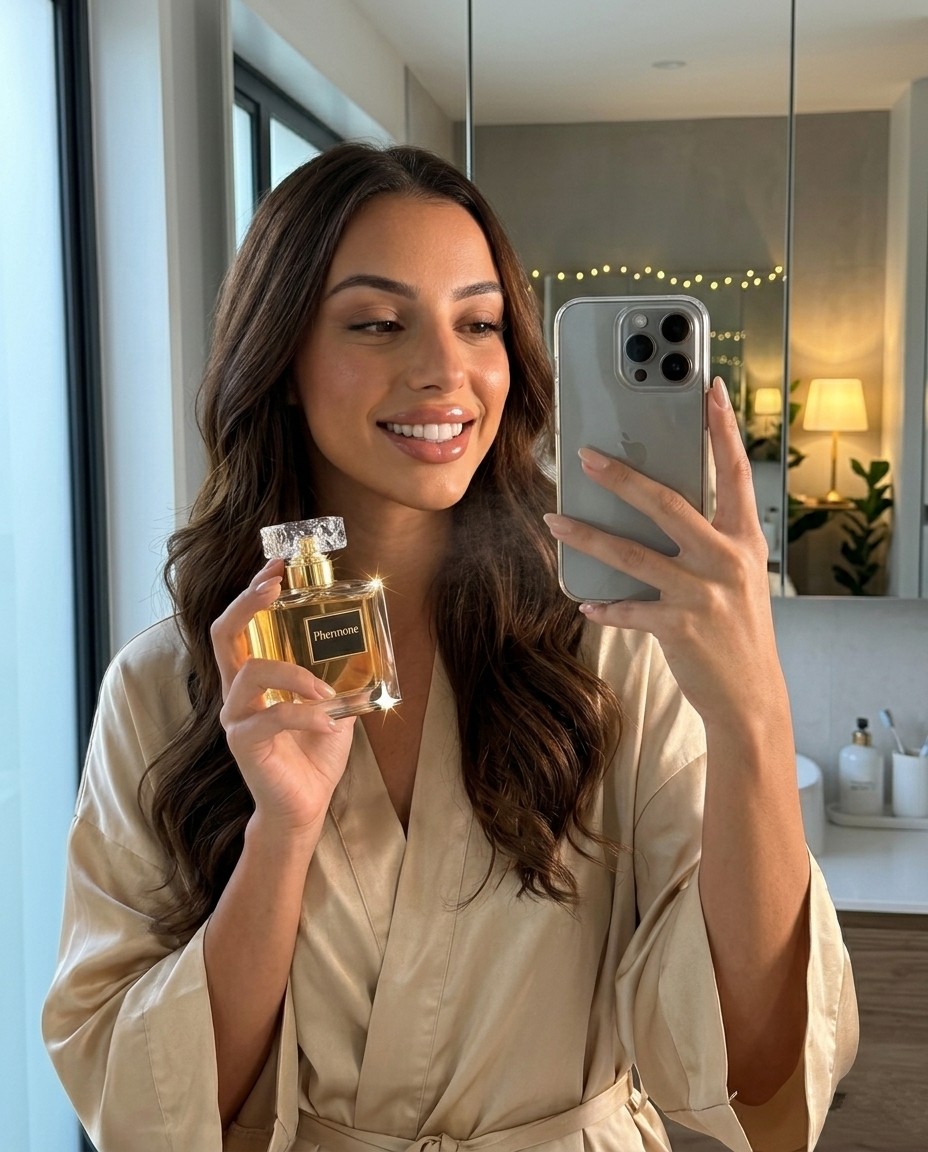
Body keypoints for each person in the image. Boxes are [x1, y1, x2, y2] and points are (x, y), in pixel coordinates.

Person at [43, 142, 857, 1152]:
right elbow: (148, 1106)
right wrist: (281, 837)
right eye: (378, 323)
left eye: (478, 323)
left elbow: (754, 1068)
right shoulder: (168, 687)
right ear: (281, 361)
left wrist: (752, 714)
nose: (444, 370)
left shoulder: (613, 654)